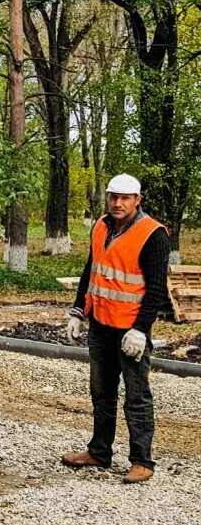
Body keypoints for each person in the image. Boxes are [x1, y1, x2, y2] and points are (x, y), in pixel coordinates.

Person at [63, 173, 169, 484]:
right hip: (101, 324)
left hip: (130, 330)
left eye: (125, 198)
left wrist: (140, 329)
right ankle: (99, 451)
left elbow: (156, 291)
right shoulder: (101, 226)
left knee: (136, 396)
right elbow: (91, 270)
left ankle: (142, 460)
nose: (117, 203)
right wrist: (78, 311)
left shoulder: (153, 234)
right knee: (101, 392)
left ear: (138, 200)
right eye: (113, 197)